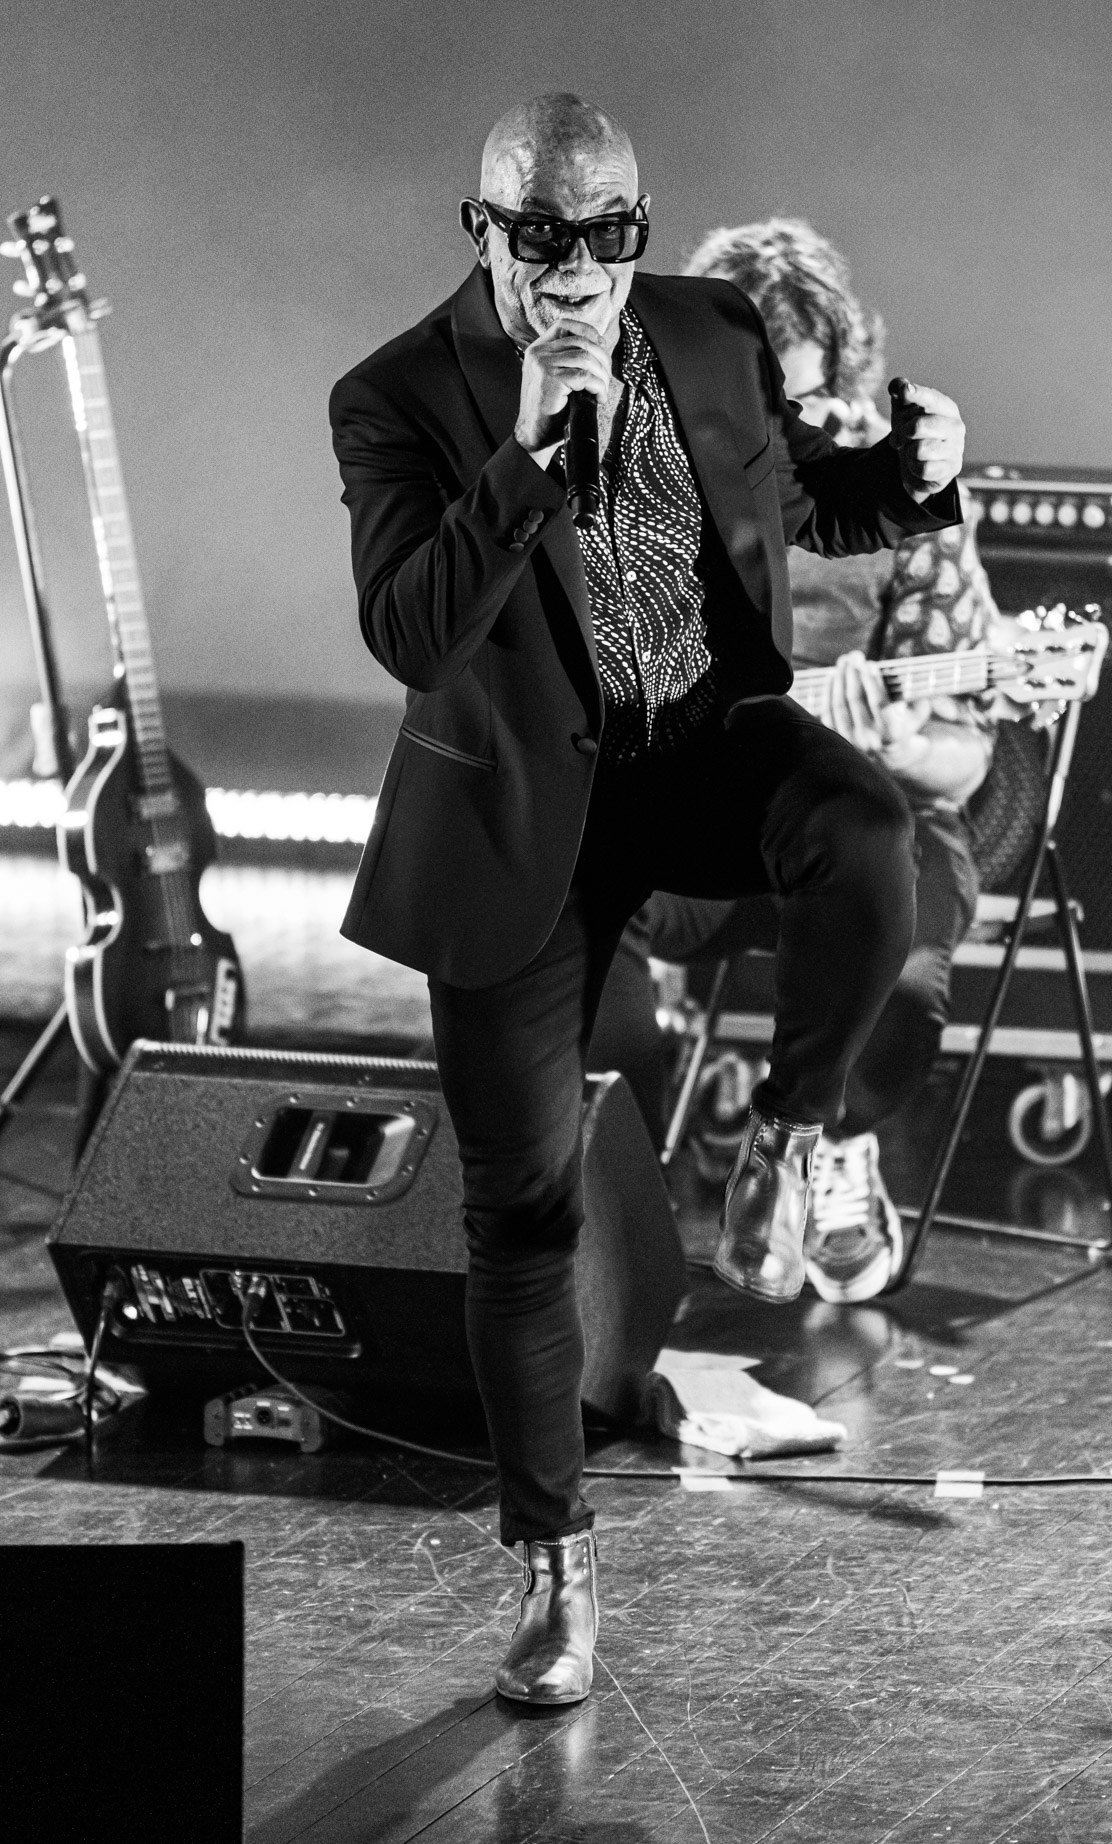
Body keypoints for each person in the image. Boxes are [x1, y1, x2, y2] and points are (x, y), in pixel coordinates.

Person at [329, 95, 965, 1707]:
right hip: (519, 824)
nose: (575, 270)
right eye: (538, 235)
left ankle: (791, 1137)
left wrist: (911, 474)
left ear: (637, 229)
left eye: (605, 233)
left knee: (867, 833)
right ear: (484, 230)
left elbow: (802, 509)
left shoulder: (708, 328)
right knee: (522, 1211)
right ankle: (554, 1563)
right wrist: (530, 460)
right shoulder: (398, 395)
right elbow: (411, 629)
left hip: (694, 755)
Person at [588, 219, 999, 1303]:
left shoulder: (891, 486)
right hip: (700, 812)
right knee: (571, 898)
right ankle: (605, 1174)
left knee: (899, 967)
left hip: (867, 816)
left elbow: (966, 762)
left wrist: (894, 739)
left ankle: (828, 1146)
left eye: (801, 399)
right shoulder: (637, 467)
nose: (777, 423)